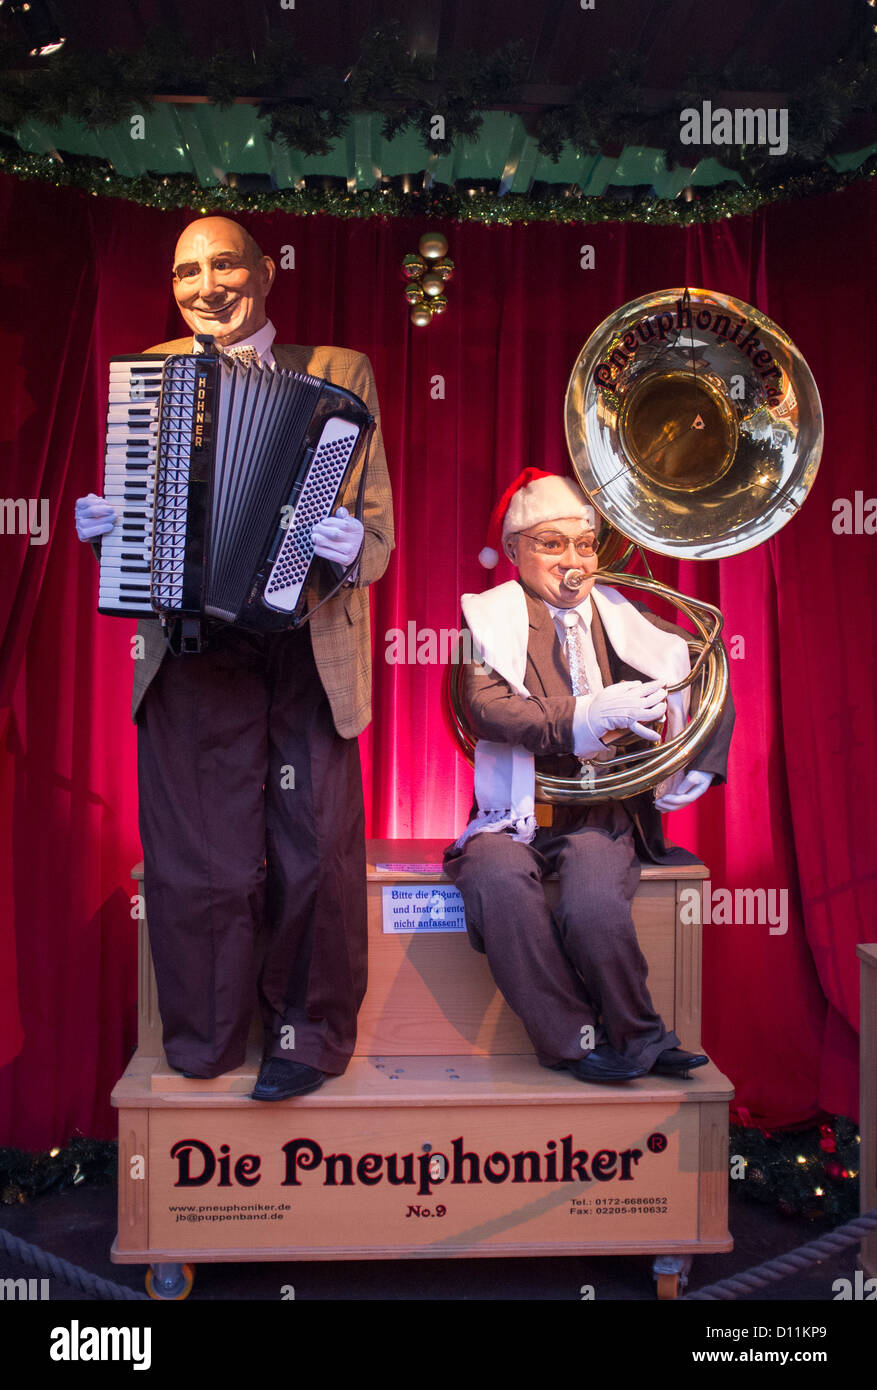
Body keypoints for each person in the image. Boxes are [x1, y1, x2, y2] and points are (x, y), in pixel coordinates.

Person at [75, 216, 394, 1099]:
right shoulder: (149, 374)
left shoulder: (338, 370)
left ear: (265, 272)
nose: (205, 285)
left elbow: (378, 534)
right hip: (193, 652)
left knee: (315, 852)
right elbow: (140, 547)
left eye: (224, 264)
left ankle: (307, 1038)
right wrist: (109, 538)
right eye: (186, 271)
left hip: (303, 648)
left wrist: (340, 546)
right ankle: (206, 1040)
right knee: (198, 862)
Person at [443, 468, 733, 1084]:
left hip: (601, 815)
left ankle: (639, 1038)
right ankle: (573, 1040)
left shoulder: (624, 616)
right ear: (516, 549)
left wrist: (702, 760)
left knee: (595, 906)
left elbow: (708, 655)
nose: (574, 560)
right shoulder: (476, 622)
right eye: (552, 544)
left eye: (585, 544)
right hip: (511, 815)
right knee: (497, 887)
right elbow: (485, 707)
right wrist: (584, 717)